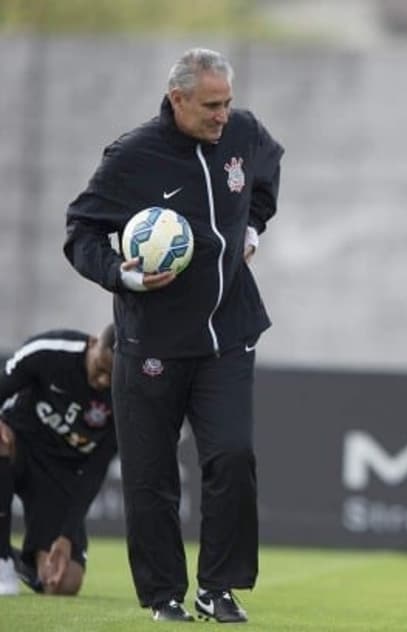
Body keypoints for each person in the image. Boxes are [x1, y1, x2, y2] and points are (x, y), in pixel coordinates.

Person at [63, 48, 283, 623]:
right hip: (151, 342)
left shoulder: (245, 133)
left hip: (229, 333)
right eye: (211, 105)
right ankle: (164, 595)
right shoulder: (132, 157)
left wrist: (254, 228)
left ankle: (219, 588)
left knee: (233, 457)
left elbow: (266, 176)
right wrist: (121, 274)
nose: (222, 115)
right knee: (151, 476)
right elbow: (81, 232)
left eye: (228, 102)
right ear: (178, 98)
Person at [0, 325, 116, 597]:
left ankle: (21, 562)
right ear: (92, 343)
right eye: (100, 368)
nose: (102, 381)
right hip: (19, 446)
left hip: (59, 477)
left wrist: (65, 535)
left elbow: (94, 474)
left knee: (63, 584)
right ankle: (2, 558)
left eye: (111, 377)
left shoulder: (124, 399)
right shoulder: (50, 351)